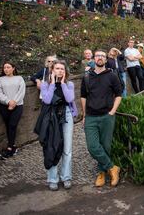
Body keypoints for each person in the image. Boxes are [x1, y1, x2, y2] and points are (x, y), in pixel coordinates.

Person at [81, 50, 122, 187]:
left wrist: (113, 111)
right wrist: (84, 115)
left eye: (102, 56)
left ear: (106, 59)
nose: (100, 58)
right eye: (97, 56)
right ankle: (112, 167)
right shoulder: (87, 76)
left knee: (105, 146)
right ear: (93, 58)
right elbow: (83, 96)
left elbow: (118, 94)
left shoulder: (112, 76)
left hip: (107, 116)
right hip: (91, 116)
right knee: (93, 146)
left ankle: (101, 173)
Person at [40, 60, 77, 191]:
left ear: (65, 71)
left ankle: (66, 177)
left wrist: (62, 84)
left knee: (67, 149)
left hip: (66, 115)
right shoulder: (45, 84)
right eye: (57, 68)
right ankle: (52, 179)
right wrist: (52, 85)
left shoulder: (69, 84)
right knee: (52, 147)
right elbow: (47, 100)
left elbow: (69, 99)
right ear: (52, 70)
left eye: (62, 68)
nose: (60, 71)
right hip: (51, 117)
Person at [0, 62, 26, 159]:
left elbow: (22, 91)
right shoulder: (0, 80)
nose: (6, 69)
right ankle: (13, 146)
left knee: (12, 125)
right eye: (5, 67)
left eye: (8, 67)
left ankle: (9, 148)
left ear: (13, 68)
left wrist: (14, 102)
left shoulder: (19, 78)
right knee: (8, 126)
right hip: (4, 107)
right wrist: (8, 101)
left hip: (18, 106)